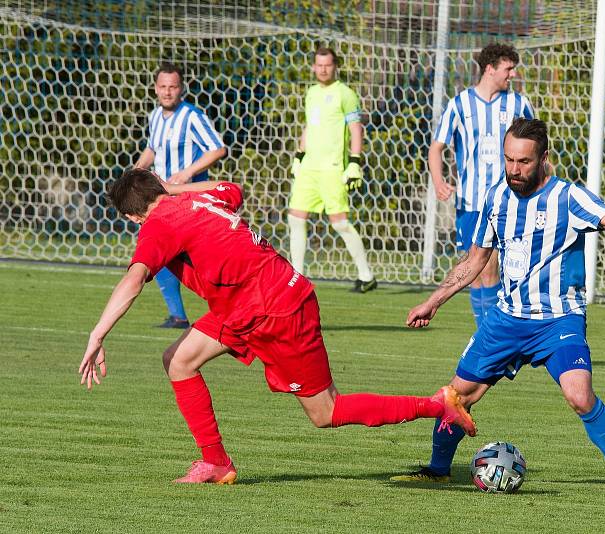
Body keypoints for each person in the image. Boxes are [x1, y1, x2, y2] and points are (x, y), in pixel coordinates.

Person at [78, 168, 475, 485]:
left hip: (277, 311)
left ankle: (438, 404)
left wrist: (97, 335)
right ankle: (215, 462)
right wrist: (177, 187)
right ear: (161, 188)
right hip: (247, 303)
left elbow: (133, 279)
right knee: (178, 361)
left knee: (326, 412)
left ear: (132, 216)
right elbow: (229, 187)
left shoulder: (159, 224)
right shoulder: (201, 199)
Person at [391, 118, 605, 503]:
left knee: (580, 396)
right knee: (455, 397)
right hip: (507, 319)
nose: (514, 170)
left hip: (559, 318)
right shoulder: (496, 198)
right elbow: (474, 260)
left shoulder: (568, 196)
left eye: (523, 162)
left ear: (543, 158)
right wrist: (432, 302)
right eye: (509, 160)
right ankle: (437, 470)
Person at [429, 43, 535, 327]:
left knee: (493, 269)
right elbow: (436, 147)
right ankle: (487, 333)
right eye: (508, 69)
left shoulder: (518, 104)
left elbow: (537, 149)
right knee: (476, 272)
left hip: (508, 200)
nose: (512, 75)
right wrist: (439, 182)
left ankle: (492, 335)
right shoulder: (459, 104)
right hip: (470, 202)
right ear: (490, 69)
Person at [133, 62, 227, 328]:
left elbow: (217, 149)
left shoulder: (192, 116)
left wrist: (186, 174)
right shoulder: (154, 116)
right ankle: (178, 316)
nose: (167, 92)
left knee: (199, 258)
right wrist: (137, 171)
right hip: (162, 200)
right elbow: (153, 148)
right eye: (163, 87)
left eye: (173, 87)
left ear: (181, 88)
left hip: (188, 200)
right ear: (155, 88)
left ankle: (227, 308)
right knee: (158, 252)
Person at [289, 47, 377, 293]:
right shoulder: (311, 93)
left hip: (333, 168)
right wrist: (299, 156)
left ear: (335, 66)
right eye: (319, 65)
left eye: (327, 65)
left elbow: (357, 129)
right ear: (314, 67)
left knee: (339, 223)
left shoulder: (345, 94)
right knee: (295, 218)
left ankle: (366, 275)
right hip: (309, 168)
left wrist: (354, 162)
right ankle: (297, 277)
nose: (323, 69)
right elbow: (309, 125)